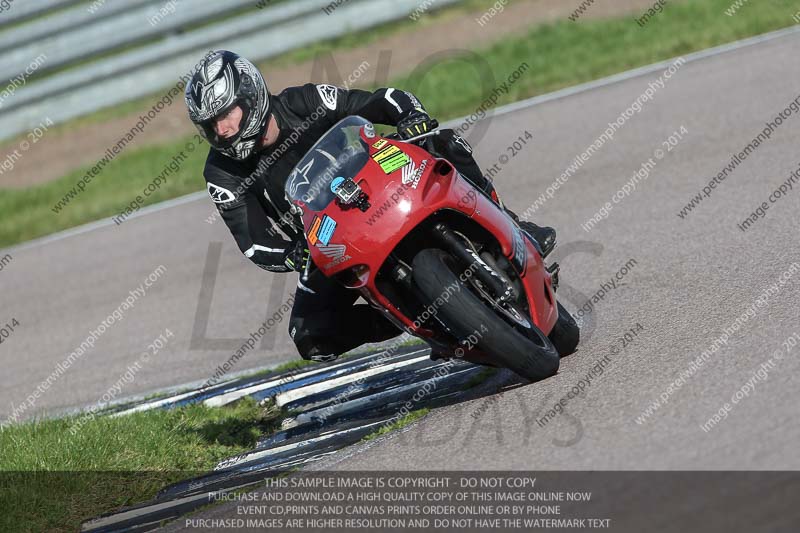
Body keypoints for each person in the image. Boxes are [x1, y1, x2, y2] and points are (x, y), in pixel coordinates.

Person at [185, 50, 556, 362]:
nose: (221, 131)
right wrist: (293, 254)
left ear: (249, 96)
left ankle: (513, 226)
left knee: (443, 143)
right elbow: (254, 242)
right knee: (309, 336)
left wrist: (410, 118)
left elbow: (380, 100)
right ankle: (431, 322)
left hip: (385, 184)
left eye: (225, 115)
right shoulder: (221, 173)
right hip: (328, 242)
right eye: (210, 125)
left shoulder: (304, 101)